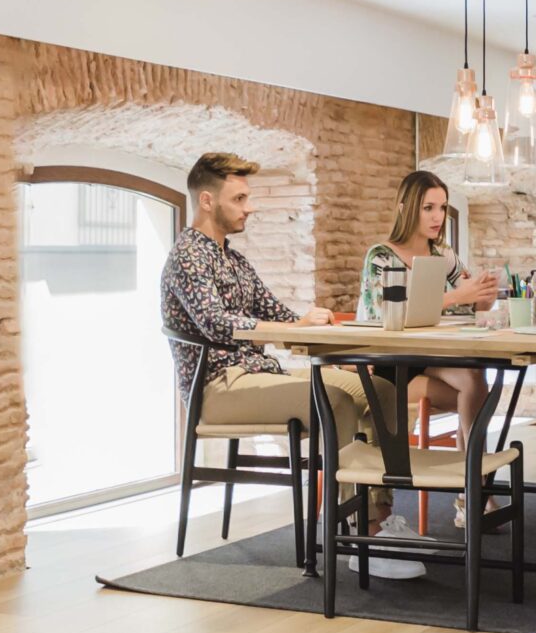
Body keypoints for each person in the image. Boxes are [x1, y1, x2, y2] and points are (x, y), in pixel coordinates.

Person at [161, 150, 422, 580]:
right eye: (240, 198)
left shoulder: (233, 258)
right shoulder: (189, 256)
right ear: (207, 201)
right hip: (218, 389)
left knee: (383, 390)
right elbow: (217, 323)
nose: (251, 207)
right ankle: (354, 535)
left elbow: (275, 311)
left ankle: (380, 515)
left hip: (258, 375)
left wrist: (309, 318)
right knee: (333, 399)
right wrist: (289, 327)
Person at [358, 170, 500, 526]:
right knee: (476, 390)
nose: (438, 217)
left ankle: (471, 490)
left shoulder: (443, 254)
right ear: (407, 209)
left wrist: (483, 296)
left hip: (433, 357)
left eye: (442, 207)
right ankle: (474, 489)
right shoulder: (381, 257)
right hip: (394, 367)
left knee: (473, 377)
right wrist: (458, 297)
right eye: (428, 208)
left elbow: (470, 305)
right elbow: (392, 313)